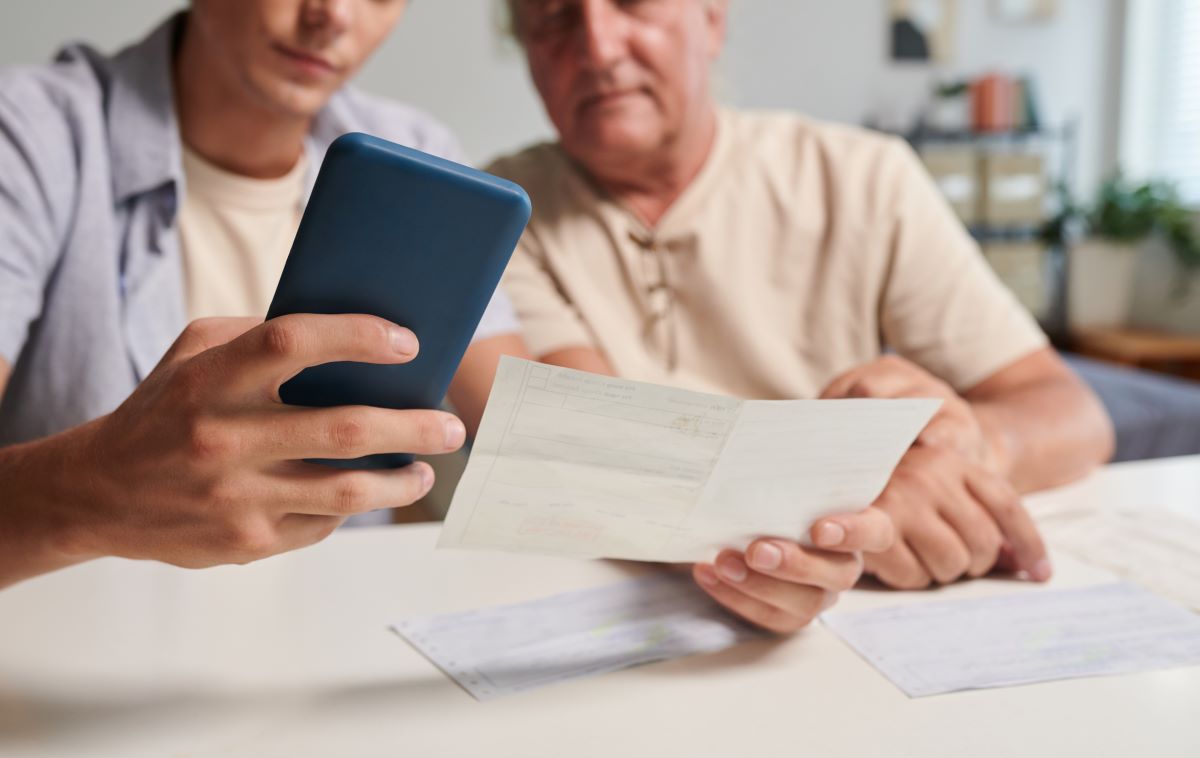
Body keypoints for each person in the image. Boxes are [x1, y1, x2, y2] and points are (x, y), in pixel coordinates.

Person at [489, 0, 1115, 633]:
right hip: (619, 611)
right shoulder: (494, 218)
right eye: (553, 16)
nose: (598, 46)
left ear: (712, 20)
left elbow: (1072, 414)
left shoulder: (864, 179)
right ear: (526, 51)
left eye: (632, 4)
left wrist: (966, 445)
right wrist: (835, 507)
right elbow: (603, 451)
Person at [0, 0, 528, 589]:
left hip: (325, 637)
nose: (332, 14)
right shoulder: (28, 132)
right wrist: (89, 491)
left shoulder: (418, 152)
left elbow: (527, 434)